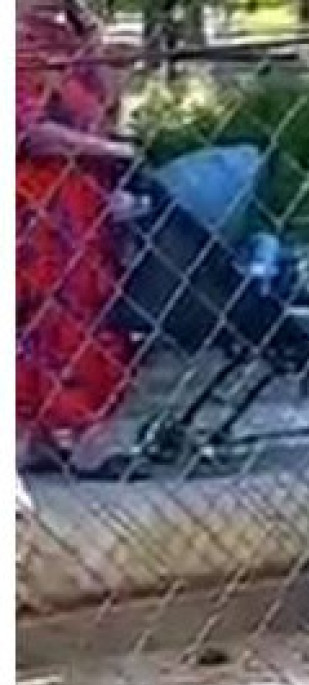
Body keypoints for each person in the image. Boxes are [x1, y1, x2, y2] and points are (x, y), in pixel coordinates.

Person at [17, 0, 140, 478]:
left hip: (83, 199)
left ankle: (49, 436)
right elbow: (28, 132)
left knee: (87, 309)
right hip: (35, 201)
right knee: (48, 315)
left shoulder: (68, 44)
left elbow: (105, 109)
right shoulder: (18, 46)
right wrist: (110, 151)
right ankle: (83, 437)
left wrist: (93, 42)